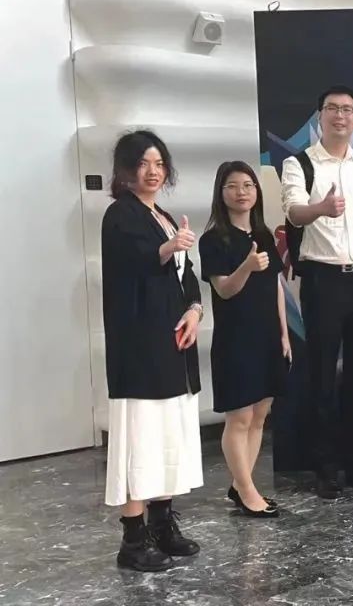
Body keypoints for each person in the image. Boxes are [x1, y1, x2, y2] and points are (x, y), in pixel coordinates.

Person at [281, 85, 353, 499]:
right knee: (322, 378)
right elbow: (293, 212)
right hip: (322, 281)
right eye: (332, 108)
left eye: (348, 110)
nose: (340, 116)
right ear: (320, 116)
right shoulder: (299, 164)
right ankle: (326, 468)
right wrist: (321, 209)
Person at [101, 130, 203, 572]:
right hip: (140, 347)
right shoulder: (119, 215)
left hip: (173, 344)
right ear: (125, 169)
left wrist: (195, 310)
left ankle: (163, 524)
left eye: (159, 163)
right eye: (143, 163)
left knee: (168, 436)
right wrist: (168, 247)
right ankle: (133, 538)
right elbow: (135, 262)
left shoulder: (162, 214)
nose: (153, 171)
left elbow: (186, 274)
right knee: (140, 440)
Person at [200, 161, 290, 518]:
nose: (242, 192)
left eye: (248, 185)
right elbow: (224, 289)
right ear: (221, 193)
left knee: (259, 415)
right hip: (235, 337)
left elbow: (276, 287)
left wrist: (283, 333)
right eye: (233, 186)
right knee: (239, 417)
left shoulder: (264, 234)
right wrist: (247, 267)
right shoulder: (213, 240)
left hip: (267, 335)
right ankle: (248, 491)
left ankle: (242, 485)